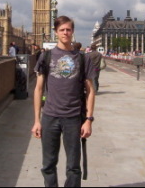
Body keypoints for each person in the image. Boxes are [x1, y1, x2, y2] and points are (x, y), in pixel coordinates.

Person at [31, 16, 96, 187]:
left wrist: (88, 120)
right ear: (56, 32)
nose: (65, 32)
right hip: (50, 116)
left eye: (68, 29)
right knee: (48, 165)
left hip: (73, 117)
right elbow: (38, 90)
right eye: (62, 30)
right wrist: (37, 120)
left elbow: (90, 91)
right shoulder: (45, 57)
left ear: (72, 31)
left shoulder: (83, 58)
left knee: (74, 167)